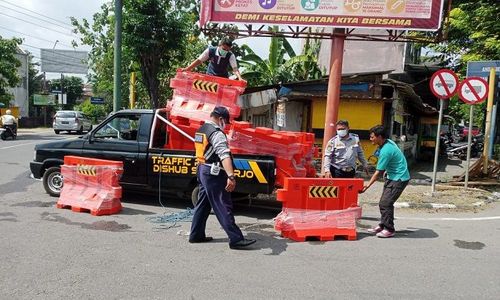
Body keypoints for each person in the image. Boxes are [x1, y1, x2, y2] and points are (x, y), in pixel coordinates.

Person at [189, 106, 256, 250]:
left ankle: (196, 235)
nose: (226, 125)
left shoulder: (201, 130)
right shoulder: (216, 133)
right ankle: (236, 239)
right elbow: (224, 155)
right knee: (223, 205)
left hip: (202, 169)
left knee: (203, 204)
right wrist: (231, 176)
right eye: (226, 122)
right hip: (213, 173)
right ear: (221, 119)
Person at [360, 125, 410, 238]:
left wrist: (366, 186)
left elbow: (378, 173)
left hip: (399, 178)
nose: (370, 139)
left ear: (380, 137)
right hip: (392, 176)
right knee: (385, 202)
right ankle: (383, 225)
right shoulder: (386, 143)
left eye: (372, 137)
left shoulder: (386, 150)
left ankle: (389, 229)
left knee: (385, 203)